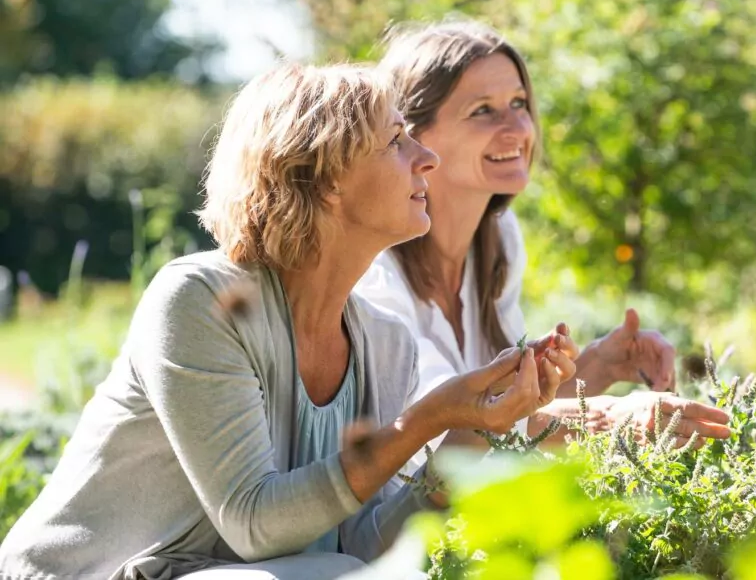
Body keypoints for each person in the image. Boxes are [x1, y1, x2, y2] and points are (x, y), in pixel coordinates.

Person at [0, 63, 567, 580]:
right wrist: (424, 419)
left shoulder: (387, 344)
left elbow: (368, 550)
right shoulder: (200, 301)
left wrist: (472, 426)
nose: (427, 158)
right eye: (396, 140)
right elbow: (253, 523)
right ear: (322, 177)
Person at [355, 20, 731, 459]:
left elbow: (506, 416)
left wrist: (599, 365)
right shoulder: (373, 268)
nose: (518, 127)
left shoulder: (500, 240)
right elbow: (443, 422)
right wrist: (608, 419)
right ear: (411, 132)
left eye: (519, 103)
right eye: (482, 110)